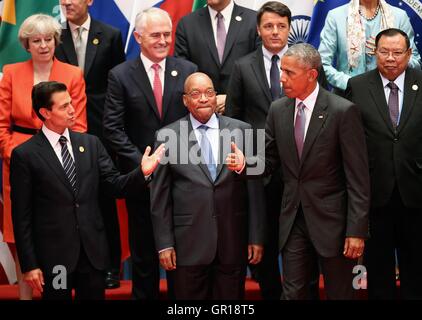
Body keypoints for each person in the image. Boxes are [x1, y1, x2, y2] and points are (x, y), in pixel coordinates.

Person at [227, 43, 370, 300]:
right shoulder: (278, 109)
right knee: (293, 293)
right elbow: (269, 160)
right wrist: (244, 165)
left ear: (312, 75)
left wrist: (356, 230)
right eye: (282, 70)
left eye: (289, 73)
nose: (281, 78)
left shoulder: (342, 111)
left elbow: (358, 178)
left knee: (341, 294)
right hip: (293, 220)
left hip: (334, 224)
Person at [10, 81, 164, 300]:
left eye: (71, 103)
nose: (72, 110)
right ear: (45, 112)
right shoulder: (25, 155)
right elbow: (21, 216)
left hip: (92, 255)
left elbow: (114, 186)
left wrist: (141, 173)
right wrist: (29, 264)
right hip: (56, 261)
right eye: (64, 107)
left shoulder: (91, 144)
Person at [103, 7, 197, 300]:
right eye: (155, 35)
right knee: (144, 259)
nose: (162, 40)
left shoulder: (188, 70)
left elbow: (197, 123)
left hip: (182, 179)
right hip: (141, 178)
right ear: (138, 37)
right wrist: (144, 163)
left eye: (167, 34)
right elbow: (113, 128)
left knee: (181, 259)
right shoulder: (120, 75)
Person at [150, 72, 265, 300]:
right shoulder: (166, 136)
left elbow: (255, 189)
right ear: (185, 100)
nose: (204, 98)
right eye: (196, 93)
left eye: (209, 92)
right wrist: (164, 244)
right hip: (187, 246)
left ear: (216, 96)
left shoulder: (243, 130)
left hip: (232, 241)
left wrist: (256, 236)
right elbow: (160, 196)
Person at [0, 13, 87, 300]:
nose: (43, 45)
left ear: (55, 40)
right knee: (22, 232)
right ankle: (25, 296)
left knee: (57, 230)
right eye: (36, 40)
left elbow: (80, 125)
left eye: (48, 39)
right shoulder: (11, 72)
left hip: (62, 163)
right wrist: (17, 155)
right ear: (26, 44)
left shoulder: (72, 74)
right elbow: (1, 126)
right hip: (19, 162)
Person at [346, 28, 422, 300]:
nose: (390, 58)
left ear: (409, 54)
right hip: (375, 195)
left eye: (397, 52)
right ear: (374, 52)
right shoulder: (357, 86)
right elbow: (350, 141)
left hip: (416, 194)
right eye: (384, 52)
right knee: (378, 274)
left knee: (417, 271)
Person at [55, 0, 126, 289]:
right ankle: (69, 269)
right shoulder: (54, 37)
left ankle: (111, 266)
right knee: (67, 200)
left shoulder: (109, 34)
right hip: (62, 127)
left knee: (104, 198)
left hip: (100, 129)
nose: (67, 2)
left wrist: (112, 127)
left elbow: (118, 85)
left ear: (90, 1)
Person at [175, 0, 260, 114]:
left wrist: (231, 98)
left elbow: (259, 67)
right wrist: (206, 97)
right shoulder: (187, 24)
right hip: (201, 114)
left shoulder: (254, 20)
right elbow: (182, 69)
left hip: (244, 112)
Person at [319, 0, 420, 94]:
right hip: (348, 95)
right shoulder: (336, 16)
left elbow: (415, 62)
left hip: (389, 95)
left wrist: (389, 53)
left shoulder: (399, 16)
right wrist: (350, 83)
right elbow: (322, 64)